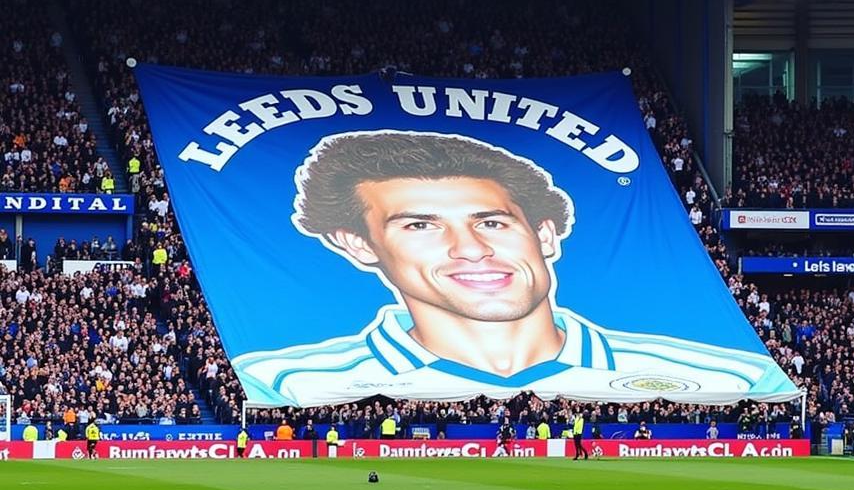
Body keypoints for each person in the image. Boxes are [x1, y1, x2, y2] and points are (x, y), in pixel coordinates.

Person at [234, 131, 793, 406]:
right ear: (358, 245)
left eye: (493, 222)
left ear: (544, 233)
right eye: (420, 226)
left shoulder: (735, 377)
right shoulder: (281, 380)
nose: (471, 248)